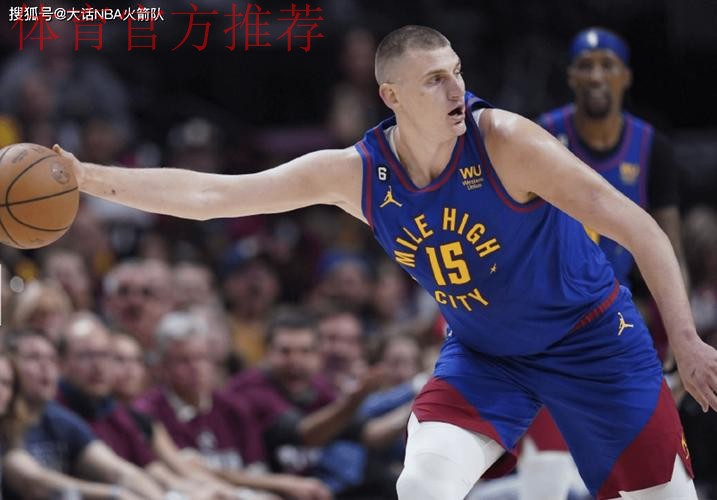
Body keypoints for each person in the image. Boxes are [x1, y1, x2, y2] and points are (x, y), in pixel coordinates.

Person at [54, 24, 717, 500]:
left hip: (591, 339)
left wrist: (685, 339)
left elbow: (639, 227)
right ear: (391, 95)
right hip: (486, 355)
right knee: (422, 483)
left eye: (456, 71)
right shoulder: (357, 174)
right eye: (434, 79)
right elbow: (211, 196)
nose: (456, 87)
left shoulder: (506, 141)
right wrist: (86, 177)